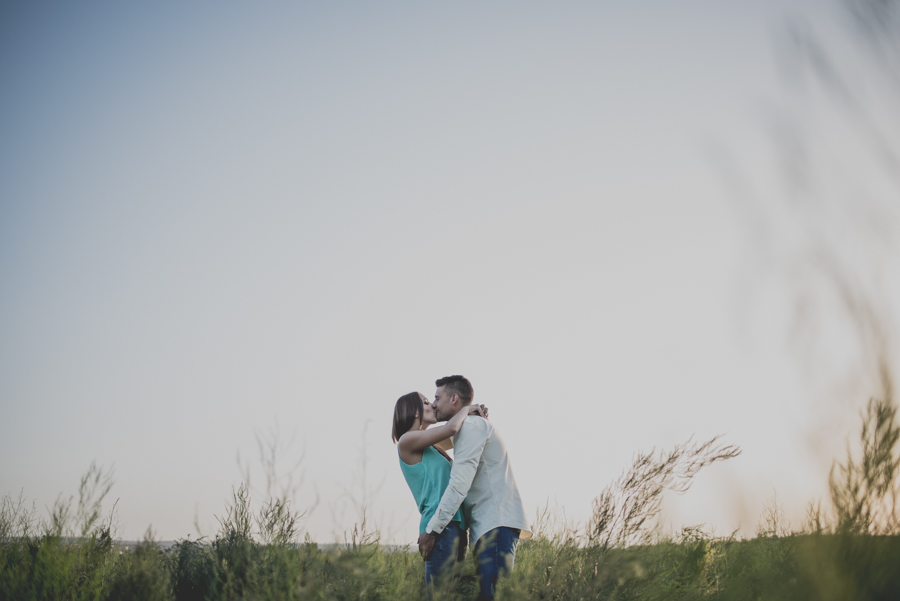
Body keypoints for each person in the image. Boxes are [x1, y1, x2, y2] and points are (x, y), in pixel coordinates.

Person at [418, 375, 531, 601]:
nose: (433, 404)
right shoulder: (466, 427)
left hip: (496, 523)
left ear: (454, 399)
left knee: (494, 596)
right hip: (487, 526)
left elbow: (459, 485)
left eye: (437, 398)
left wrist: (432, 530)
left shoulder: (472, 427)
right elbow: (433, 441)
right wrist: (467, 410)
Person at [392, 391, 488, 587]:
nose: (433, 405)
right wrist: (467, 409)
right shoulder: (406, 441)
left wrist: (477, 418)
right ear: (415, 411)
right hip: (439, 529)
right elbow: (452, 428)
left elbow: (460, 433)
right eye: (427, 402)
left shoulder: (432, 446)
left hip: (457, 526)